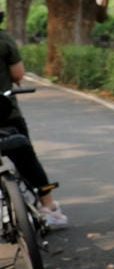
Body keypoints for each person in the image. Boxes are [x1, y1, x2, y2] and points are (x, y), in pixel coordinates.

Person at [0, 12, 67, 228]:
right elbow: (18, 74)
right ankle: (48, 207)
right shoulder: (3, 40)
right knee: (27, 158)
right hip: (5, 113)